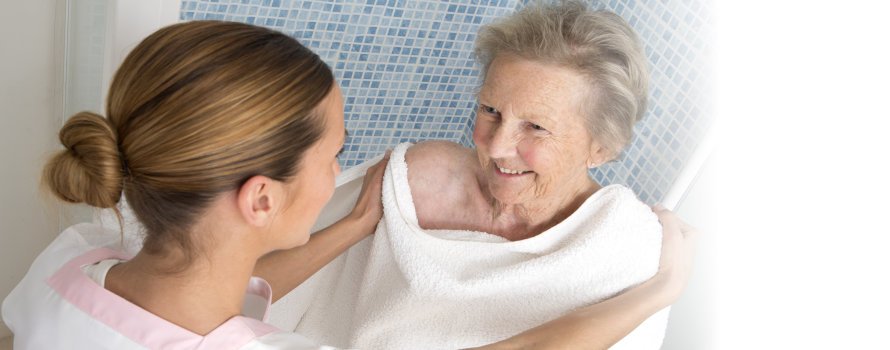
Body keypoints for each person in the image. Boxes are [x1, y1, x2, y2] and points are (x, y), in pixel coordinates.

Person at [1, 20, 694, 349]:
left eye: (534, 126)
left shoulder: (71, 262)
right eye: (336, 155)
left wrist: (354, 226)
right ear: (261, 199)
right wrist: (662, 291)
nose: (349, 170)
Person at [262, 1, 695, 348]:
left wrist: (659, 285)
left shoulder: (622, 248)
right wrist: (357, 223)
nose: (497, 145)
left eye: (536, 127)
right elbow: (247, 279)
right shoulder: (420, 179)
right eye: (490, 110)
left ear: (602, 146)